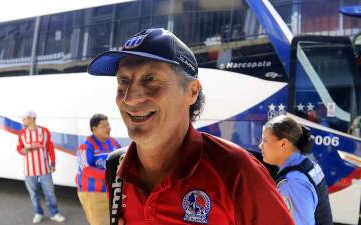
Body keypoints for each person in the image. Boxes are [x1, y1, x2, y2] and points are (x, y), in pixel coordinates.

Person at [87, 28, 294, 225]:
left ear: (192, 91)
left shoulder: (236, 169)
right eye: (123, 80)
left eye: (151, 79)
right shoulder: (117, 168)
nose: (129, 98)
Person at [259, 115, 333, 225]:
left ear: (283, 144)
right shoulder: (307, 163)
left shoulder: (292, 183)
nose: (260, 146)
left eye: (265, 140)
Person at [16, 110, 65, 224]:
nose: (23, 120)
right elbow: (19, 147)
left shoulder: (44, 131)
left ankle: (54, 213)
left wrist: (53, 163)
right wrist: (23, 150)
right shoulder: (22, 133)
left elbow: (50, 148)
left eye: (25, 118)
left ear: (32, 118)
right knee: (33, 194)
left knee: (50, 192)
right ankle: (38, 213)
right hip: (29, 169)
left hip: (44, 168)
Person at [76, 114, 121, 225]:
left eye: (108, 124)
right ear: (94, 129)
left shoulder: (113, 142)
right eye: (104, 126)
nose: (108, 128)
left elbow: (121, 159)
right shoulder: (86, 144)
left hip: (111, 191)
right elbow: (86, 169)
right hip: (92, 192)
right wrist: (111, 174)